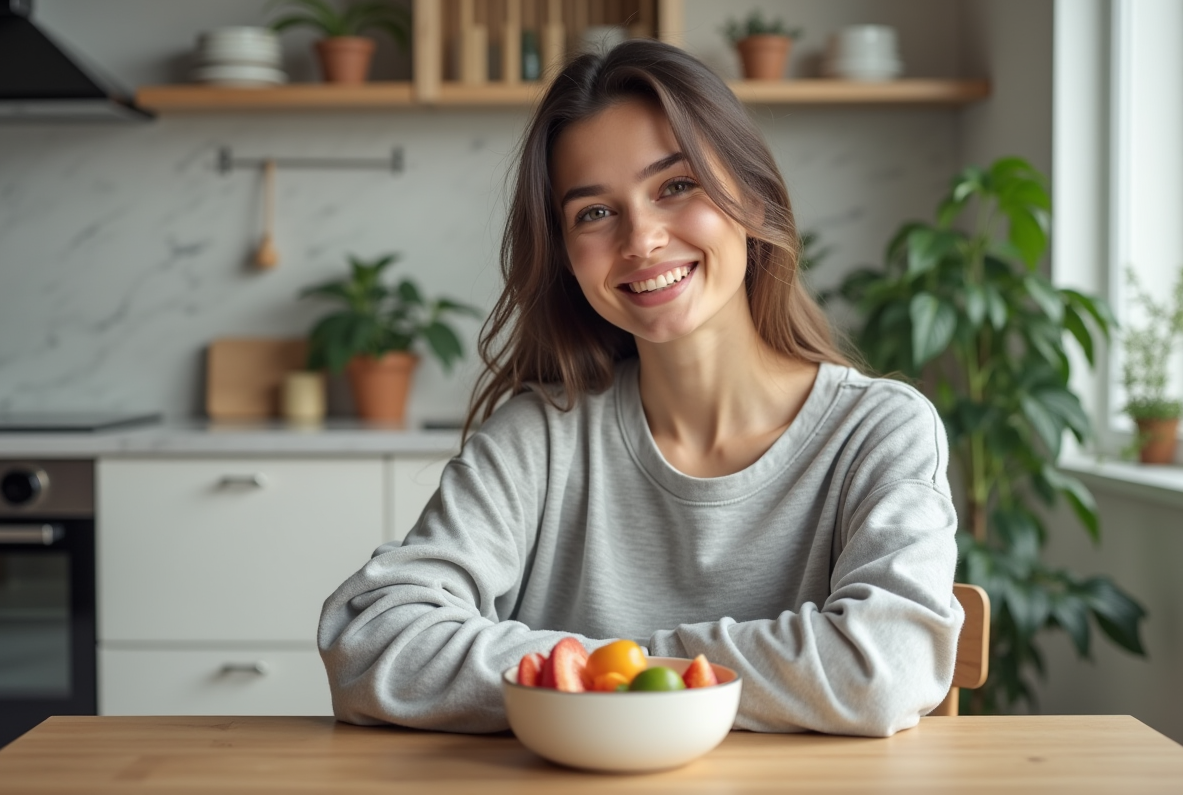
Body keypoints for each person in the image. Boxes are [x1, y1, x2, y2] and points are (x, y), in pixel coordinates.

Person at [318, 40, 963, 737]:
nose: (641, 240)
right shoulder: (540, 436)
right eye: (594, 213)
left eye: (675, 186)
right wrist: (652, 676)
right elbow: (372, 638)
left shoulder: (880, 431)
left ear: (751, 197)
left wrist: (600, 674)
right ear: (567, 257)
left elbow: (884, 666)